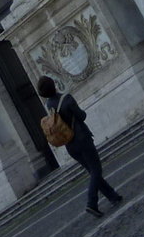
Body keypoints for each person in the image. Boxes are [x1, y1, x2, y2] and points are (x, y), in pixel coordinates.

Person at [36, 76, 124, 219]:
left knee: (92, 171)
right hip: (82, 139)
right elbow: (81, 116)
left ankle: (112, 196)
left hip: (70, 145)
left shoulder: (50, 105)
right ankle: (91, 203)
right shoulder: (66, 99)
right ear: (54, 85)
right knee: (96, 170)